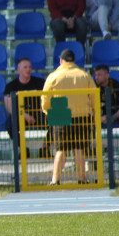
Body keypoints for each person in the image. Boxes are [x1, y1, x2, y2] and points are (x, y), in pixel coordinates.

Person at [42, 49, 95, 185]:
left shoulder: (53, 76)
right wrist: (93, 112)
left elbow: (45, 99)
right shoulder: (84, 75)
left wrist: (49, 112)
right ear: (74, 61)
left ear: (61, 61)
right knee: (79, 149)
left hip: (60, 112)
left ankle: (55, 180)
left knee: (60, 150)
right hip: (81, 114)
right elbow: (94, 96)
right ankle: (82, 179)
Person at [3, 57, 47, 156]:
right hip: (20, 114)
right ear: (18, 69)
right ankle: (23, 149)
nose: (28, 69)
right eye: (25, 67)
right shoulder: (11, 86)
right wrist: (24, 115)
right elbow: (9, 108)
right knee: (9, 125)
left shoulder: (40, 83)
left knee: (55, 121)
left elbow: (48, 99)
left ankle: (45, 148)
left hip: (38, 113)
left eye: (30, 67)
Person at [92, 64, 119, 157]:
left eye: (99, 75)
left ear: (107, 75)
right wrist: (99, 118)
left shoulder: (117, 85)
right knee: (86, 119)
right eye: (96, 75)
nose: (96, 77)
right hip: (100, 113)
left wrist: (113, 117)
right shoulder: (93, 86)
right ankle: (92, 150)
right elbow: (88, 106)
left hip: (116, 113)